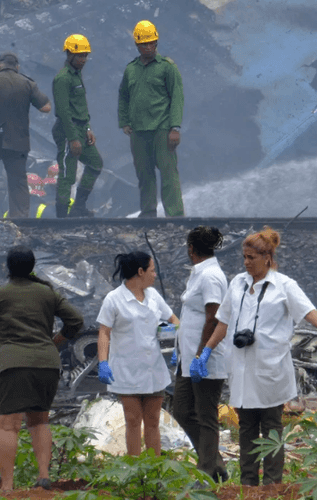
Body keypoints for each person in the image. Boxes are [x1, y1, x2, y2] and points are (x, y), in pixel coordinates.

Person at [193, 227, 317, 486]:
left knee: (271, 427)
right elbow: (223, 322)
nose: (246, 263)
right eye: (244, 257)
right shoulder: (237, 283)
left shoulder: (284, 285)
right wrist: (206, 352)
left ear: (267, 257)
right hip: (241, 367)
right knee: (246, 428)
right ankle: (248, 483)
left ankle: (272, 483)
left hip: (270, 368)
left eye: (251, 258)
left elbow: (307, 310)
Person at [0, 246, 83, 491]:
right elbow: (76, 320)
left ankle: (6, 485)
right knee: (39, 421)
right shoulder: (48, 293)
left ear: (8, 267)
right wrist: (55, 341)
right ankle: (43, 477)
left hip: (13, 363)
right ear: (32, 267)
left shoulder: (3, 294)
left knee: (8, 424)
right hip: (47, 364)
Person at [96, 251, 179, 456]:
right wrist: (103, 362)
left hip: (153, 368)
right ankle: (134, 467)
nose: (154, 275)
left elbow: (175, 320)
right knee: (132, 420)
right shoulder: (114, 299)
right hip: (126, 370)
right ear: (140, 272)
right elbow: (104, 332)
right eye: (152, 270)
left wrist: (176, 341)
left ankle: (154, 468)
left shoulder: (153, 296)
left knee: (153, 421)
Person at [170, 227, 229, 483]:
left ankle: (207, 472)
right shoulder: (199, 273)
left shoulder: (211, 277)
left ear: (191, 248)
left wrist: (201, 354)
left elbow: (214, 318)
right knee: (183, 410)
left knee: (206, 415)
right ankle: (216, 464)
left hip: (205, 358)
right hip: (188, 358)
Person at [118, 20, 185, 217]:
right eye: (144, 44)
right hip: (138, 132)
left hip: (162, 129)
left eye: (151, 43)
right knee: (144, 174)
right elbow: (123, 96)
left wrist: (175, 128)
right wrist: (124, 121)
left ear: (156, 43)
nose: (148, 47)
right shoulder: (131, 69)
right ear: (137, 45)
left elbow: (177, 97)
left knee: (168, 173)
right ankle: (148, 213)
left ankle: (175, 214)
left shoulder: (167, 67)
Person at [52, 34, 103, 218]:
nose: (83, 59)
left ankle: (78, 207)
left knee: (96, 164)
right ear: (69, 55)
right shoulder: (63, 79)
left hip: (81, 128)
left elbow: (81, 106)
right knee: (68, 174)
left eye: (85, 55)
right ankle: (62, 217)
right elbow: (64, 111)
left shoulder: (76, 76)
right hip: (68, 130)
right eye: (79, 55)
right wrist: (72, 138)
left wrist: (88, 128)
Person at [0, 53, 51, 218]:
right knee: (18, 181)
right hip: (16, 140)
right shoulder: (27, 83)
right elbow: (46, 107)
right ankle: (20, 219)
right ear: (17, 67)